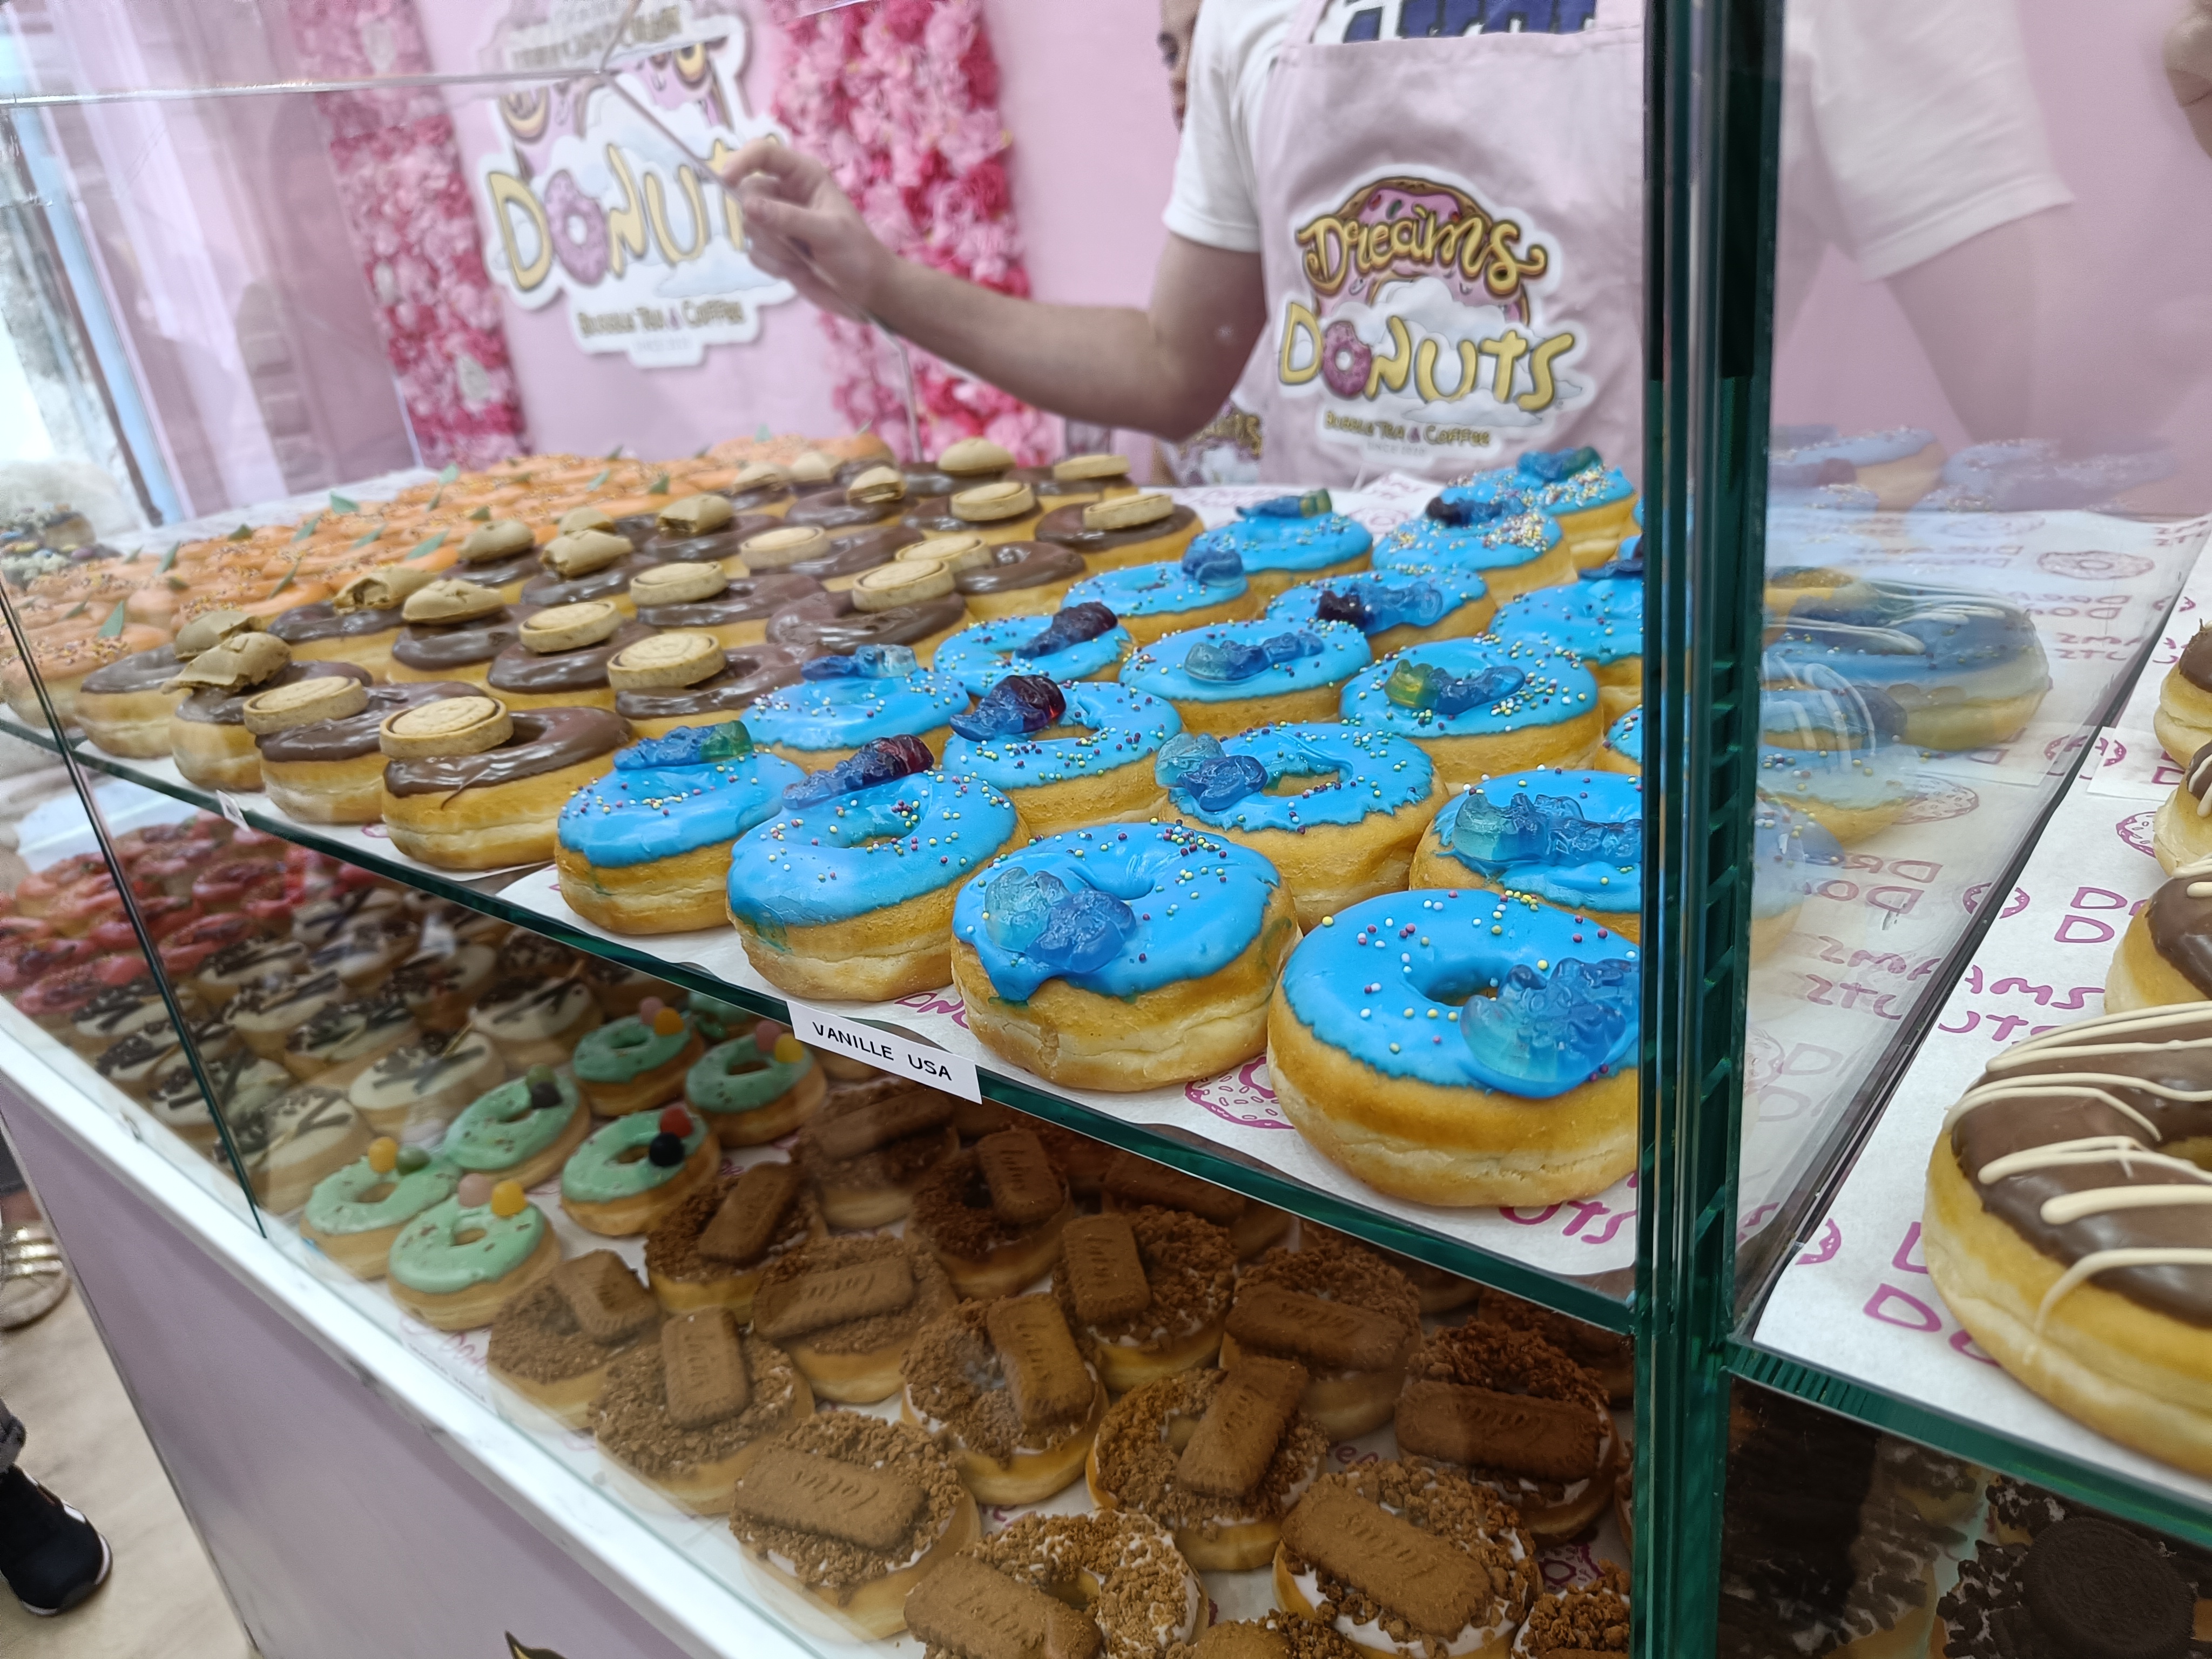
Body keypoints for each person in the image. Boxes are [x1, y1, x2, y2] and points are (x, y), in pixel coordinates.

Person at [722, 0, 2083, 488]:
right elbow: (1170, 368)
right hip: (1321, 672)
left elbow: (2049, 409)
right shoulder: (1256, 12)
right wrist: (881, 283)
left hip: (1637, 698)